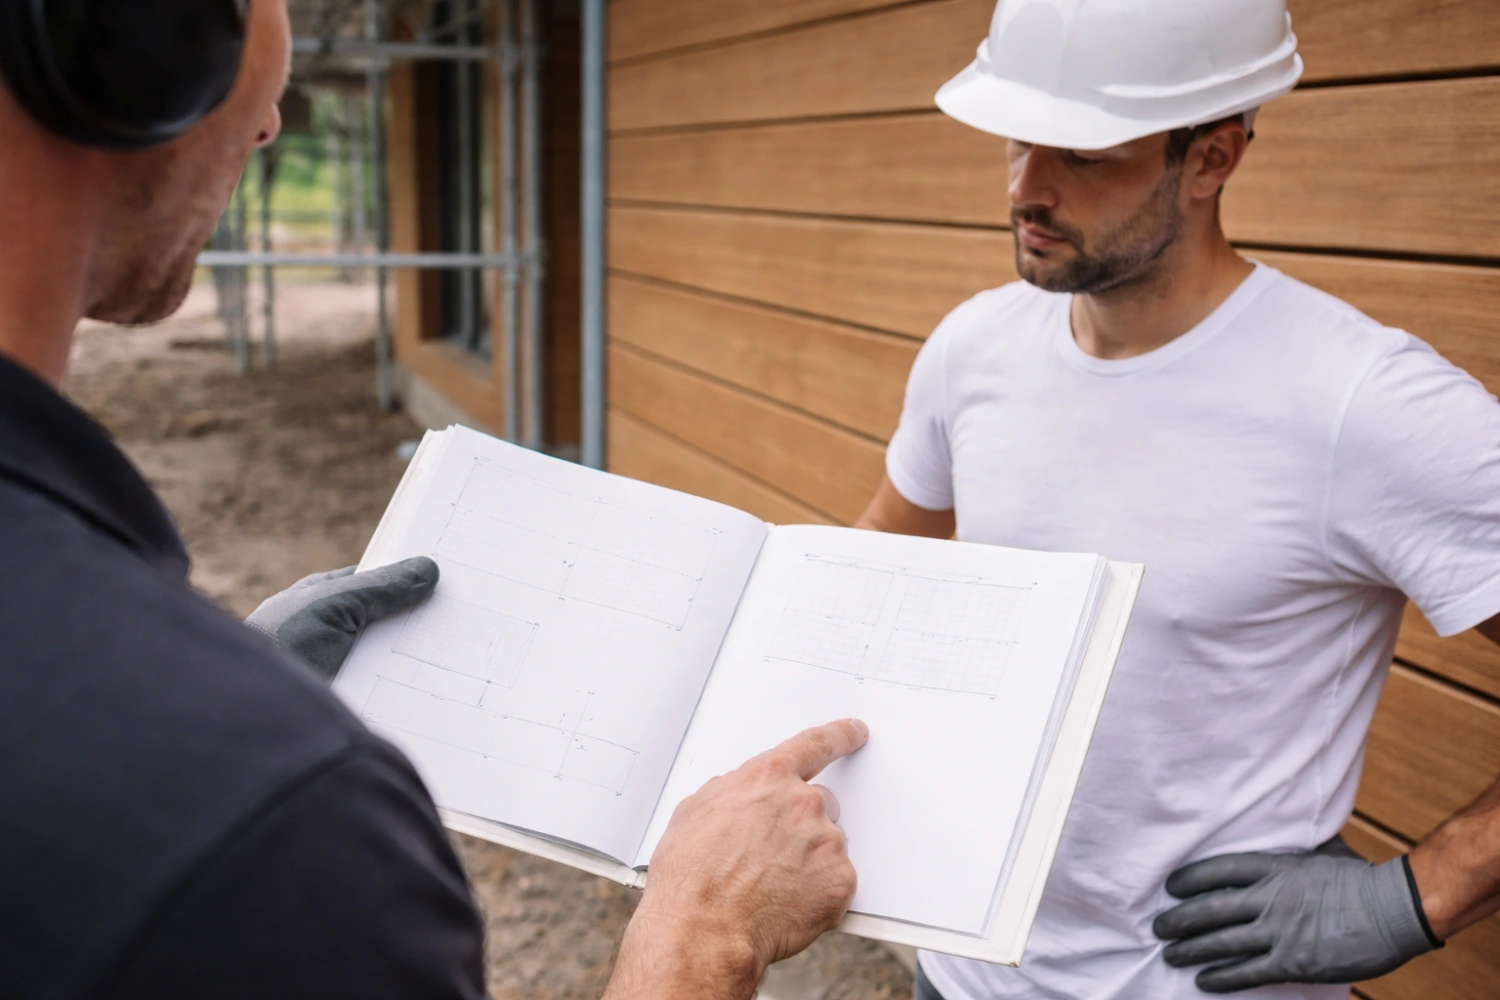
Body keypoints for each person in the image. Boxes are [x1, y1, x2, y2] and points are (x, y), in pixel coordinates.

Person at [0, 2, 867, 998]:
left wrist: (195, 705)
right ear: (140, 45)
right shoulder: (278, 831)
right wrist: (700, 932)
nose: (272, 123)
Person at [854, 1, 1500, 997]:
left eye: (1085, 153)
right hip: (966, 973)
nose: (1029, 187)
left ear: (1212, 158)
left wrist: (1424, 890)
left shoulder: (1361, 404)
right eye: (1020, 139)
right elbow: (875, 577)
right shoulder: (972, 349)